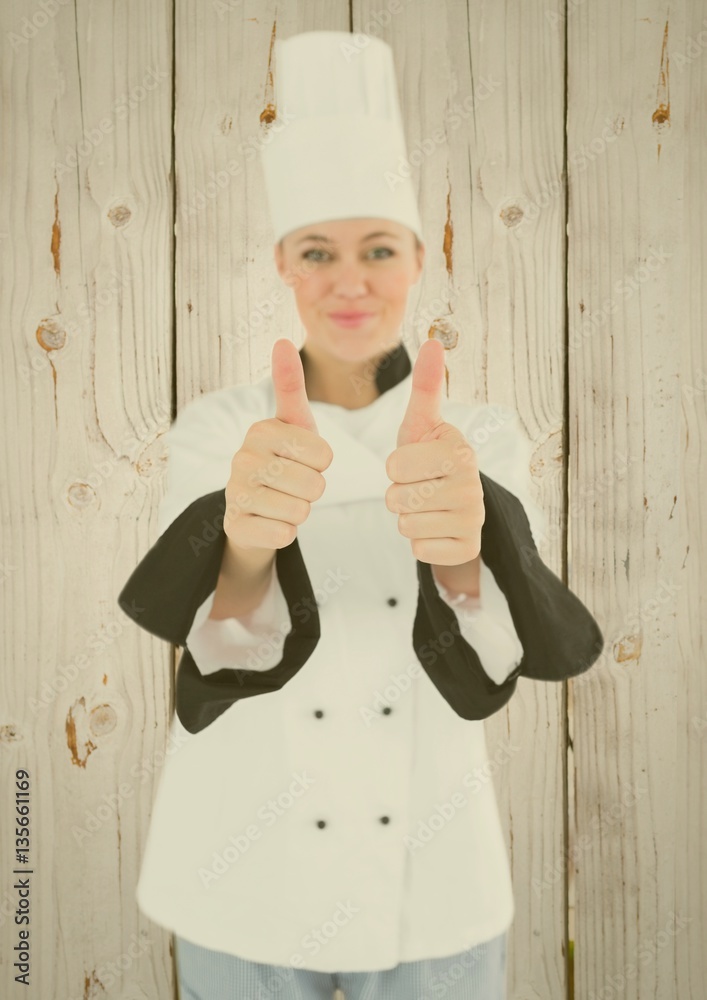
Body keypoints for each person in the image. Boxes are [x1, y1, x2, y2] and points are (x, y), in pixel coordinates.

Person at [117, 32, 603, 1000]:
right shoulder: (220, 427)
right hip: (236, 863)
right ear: (283, 265)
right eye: (318, 252)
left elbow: (502, 655)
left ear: (418, 257)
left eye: (377, 249)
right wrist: (248, 537)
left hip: (434, 877)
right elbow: (199, 636)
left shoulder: (481, 437)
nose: (350, 280)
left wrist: (462, 557)